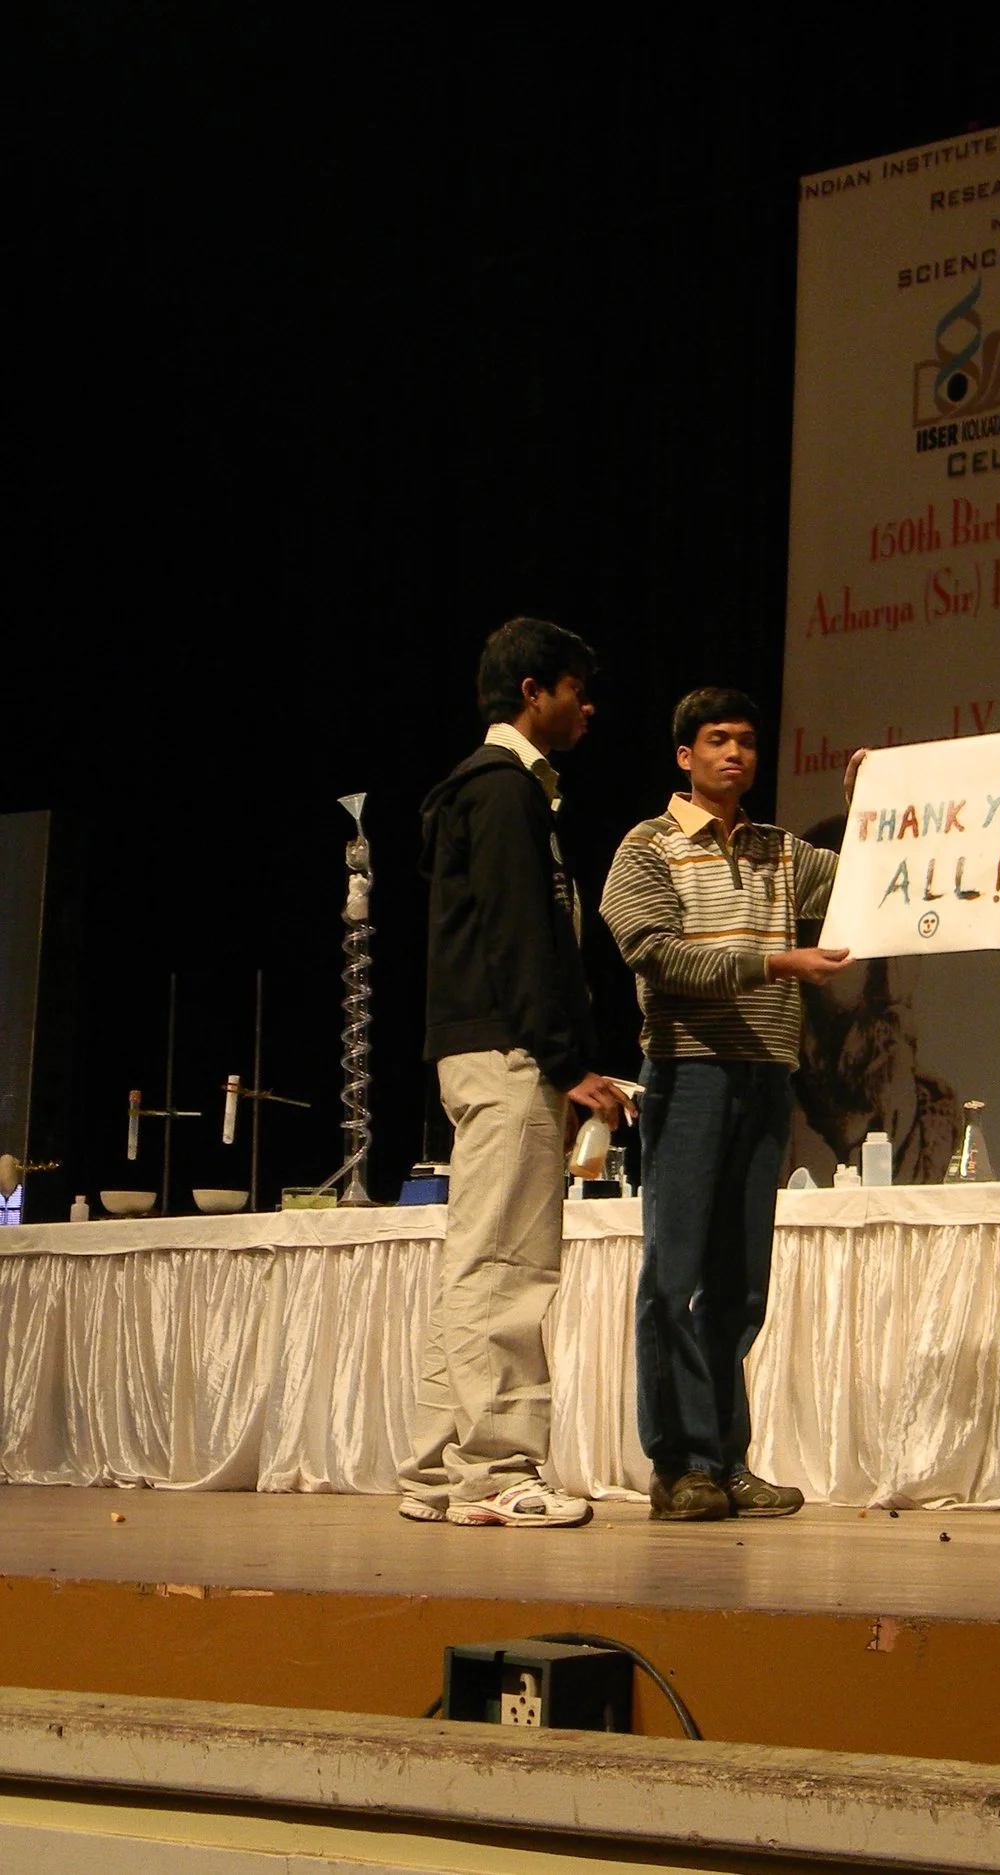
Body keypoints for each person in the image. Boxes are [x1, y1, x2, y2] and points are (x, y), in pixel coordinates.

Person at [400, 618, 634, 1528]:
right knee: (505, 1262)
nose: (588, 706)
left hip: (491, 1048)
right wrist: (566, 1060)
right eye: (576, 687)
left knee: (476, 1258)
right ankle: (496, 1472)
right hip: (508, 1052)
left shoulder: (496, 790)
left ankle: (434, 1467)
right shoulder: (501, 790)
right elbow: (518, 936)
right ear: (534, 691)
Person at [598, 688, 850, 1521]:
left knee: (741, 1282)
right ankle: (678, 1465)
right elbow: (653, 952)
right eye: (717, 741)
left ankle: (725, 1457)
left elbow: (870, 884)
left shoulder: (781, 850)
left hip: (764, 1072)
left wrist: (870, 808)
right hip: (690, 1068)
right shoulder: (649, 846)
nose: (734, 754)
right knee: (674, 1275)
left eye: (745, 741)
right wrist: (772, 965)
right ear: (685, 756)